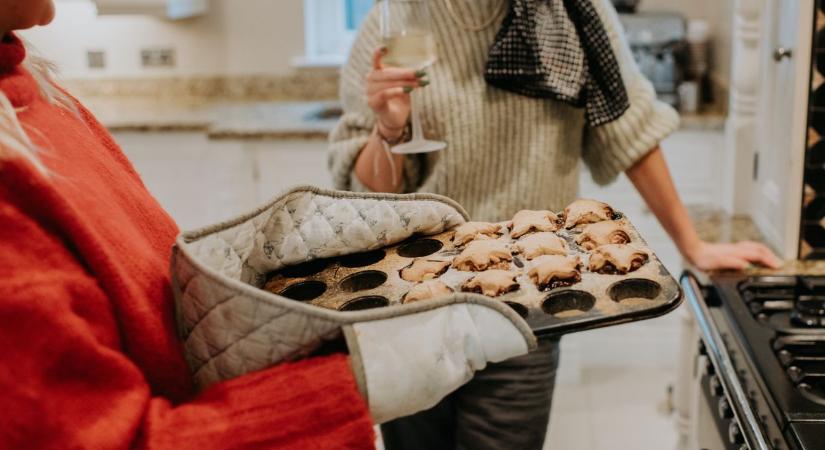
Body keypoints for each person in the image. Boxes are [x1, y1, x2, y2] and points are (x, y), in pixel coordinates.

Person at [2, 1, 533, 448]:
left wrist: (241, 278)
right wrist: (352, 379)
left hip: (525, 288)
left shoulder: (36, 91)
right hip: (417, 302)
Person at [328, 0, 781, 448]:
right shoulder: (394, 19)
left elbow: (631, 131)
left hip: (525, 308)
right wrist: (389, 129)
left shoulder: (574, 10)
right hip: (417, 311)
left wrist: (692, 244)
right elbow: (368, 192)